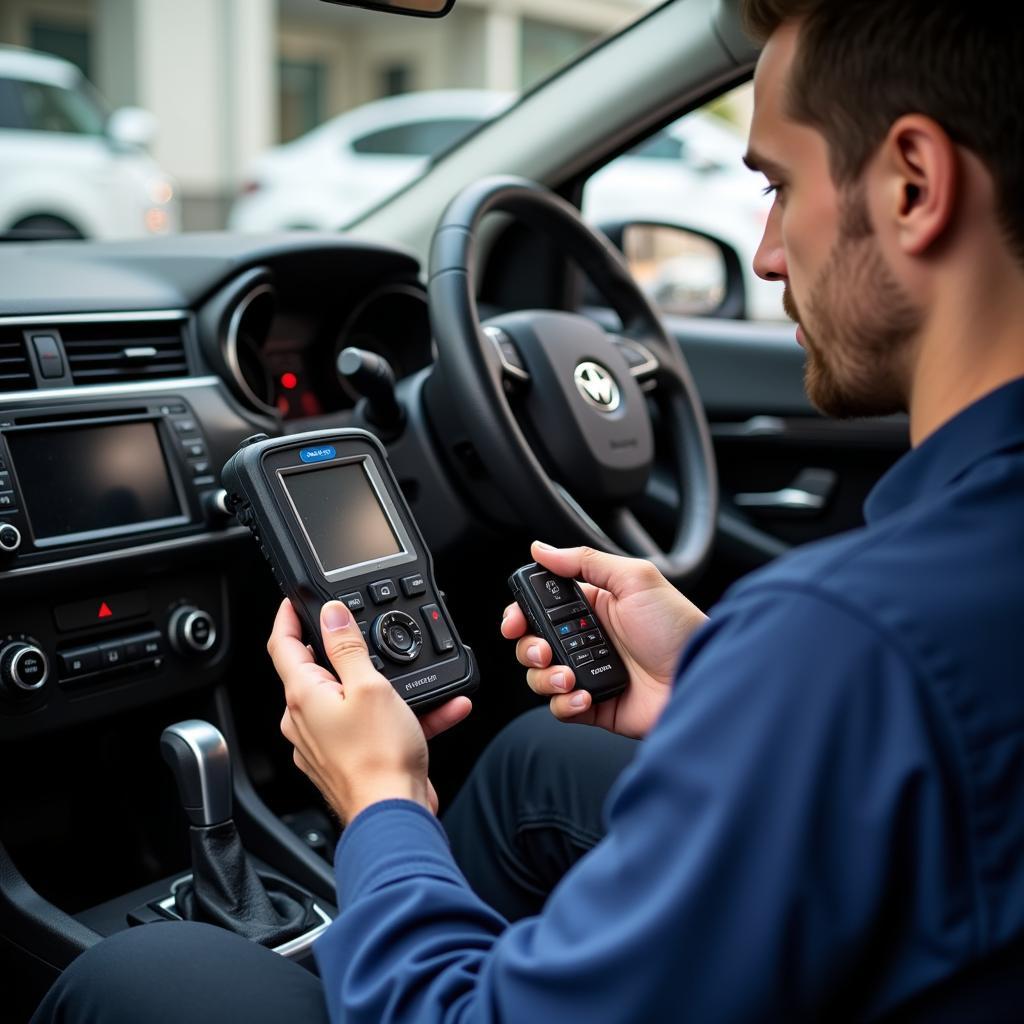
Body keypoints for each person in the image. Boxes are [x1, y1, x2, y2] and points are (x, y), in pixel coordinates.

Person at [33, 0, 1024, 1020]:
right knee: (531, 765)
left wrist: (381, 801)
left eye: (776, 187)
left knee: (134, 977)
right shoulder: (921, 595)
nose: (767, 254)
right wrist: (720, 691)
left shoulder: (853, 641)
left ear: (913, 182)